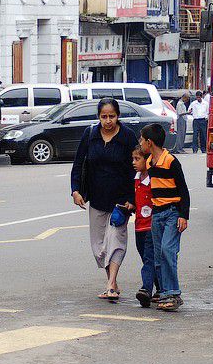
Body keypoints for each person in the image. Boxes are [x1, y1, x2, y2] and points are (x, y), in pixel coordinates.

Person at [71, 98, 139, 302]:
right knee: (99, 245)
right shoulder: (90, 134)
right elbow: (78, 164)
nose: (108, 121)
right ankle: (112, 281)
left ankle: (111, 284)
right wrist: (75, 191)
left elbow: (136, 167)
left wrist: (132, 199)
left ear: (118, 116)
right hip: (97, 198)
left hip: (120, 201)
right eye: (104, 116)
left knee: (116, 240)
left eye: (112, 116)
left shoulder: (127, 136)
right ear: (98, 117)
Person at [140, 123, 190, 312]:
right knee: (159, 255)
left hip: (172, 213)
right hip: (157, 214)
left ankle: (173, 293)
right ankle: (164, 292)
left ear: (149, 142)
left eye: (141, 140)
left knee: (168, 251)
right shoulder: (149, 162)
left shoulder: (171, 161)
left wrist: (184, 215)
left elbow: (183, 190)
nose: (140, 143)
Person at [126, 146, 160, 308]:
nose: (134, 162)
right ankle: (160, 288)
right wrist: (131, 204)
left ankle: (146, 289)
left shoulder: (153, 180)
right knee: (147, 258)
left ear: (147, 160)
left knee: (148, 258)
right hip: (139, 226)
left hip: (151, 227)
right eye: (133, 159)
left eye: (137, 159)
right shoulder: (136, 178)